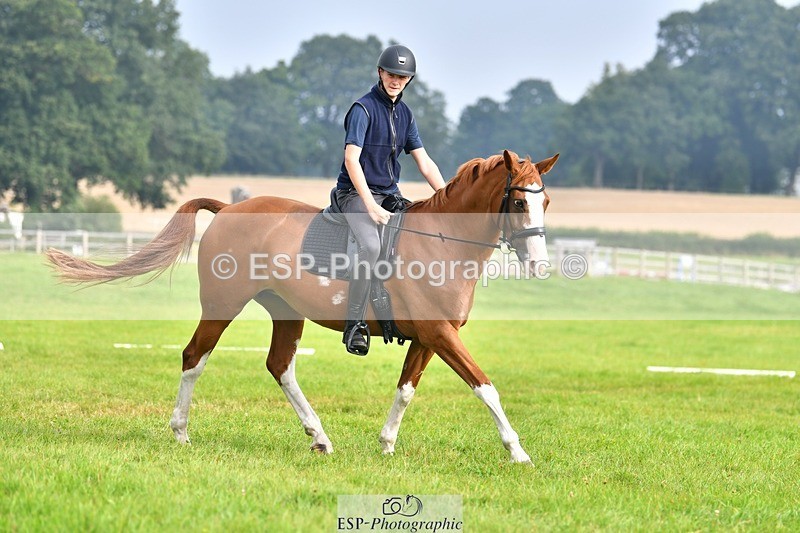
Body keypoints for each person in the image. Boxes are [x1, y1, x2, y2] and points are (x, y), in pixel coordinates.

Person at [336, 44, 446, 356]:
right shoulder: (363, 109)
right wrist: (369, 204)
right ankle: (354, 325)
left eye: (402, 76)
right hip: (353, 195)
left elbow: (425, 163)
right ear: (380, 73)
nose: (396, 80)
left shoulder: (406, 115)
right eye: (391, 74)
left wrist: (449, 199)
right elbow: (351, 160)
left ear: (409, 80)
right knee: (371, 246)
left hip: (389, 195)